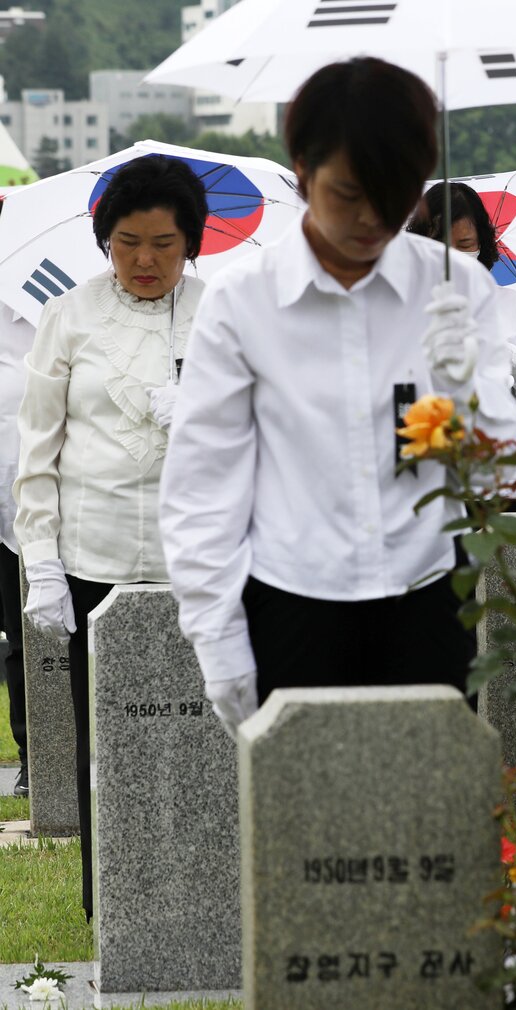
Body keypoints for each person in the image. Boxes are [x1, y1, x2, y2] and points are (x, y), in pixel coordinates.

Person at [159, 58, 516, 738]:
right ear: (302, 170)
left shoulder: (457, 288)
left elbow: (499, 474)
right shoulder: (245, 301)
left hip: (425, 595)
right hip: (293, 601)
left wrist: (468, 386)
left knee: (428, 799)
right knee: (304, 802)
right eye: (348, 193)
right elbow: (203, 486)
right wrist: (220, 644)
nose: (371, 218)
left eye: (395, 196)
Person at [13, 154, 209, 919]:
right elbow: (37, 452)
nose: (145, 260)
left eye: (163, 243)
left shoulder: (219, 314)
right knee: (109, 744)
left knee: (202, 739)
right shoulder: (70, 315)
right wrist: (42, 564)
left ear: (191, 242)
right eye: (128, 242)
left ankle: (206, 902)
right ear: (105, 241)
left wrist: (204, 412)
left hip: (198, 562)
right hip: (94, 561)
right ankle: (117, 906)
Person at [409, 181, 516, 399]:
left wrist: (509, 357)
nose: (452, 256)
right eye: (439, 244)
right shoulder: (400, 307)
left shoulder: (515, 305)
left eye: (464, 245)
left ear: (481, 244)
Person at [0, 306, 35, 797]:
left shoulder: (53, 308)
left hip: (44, 505)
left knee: (35, 641)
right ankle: (35, 757)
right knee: (19, 640)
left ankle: (42, 758)